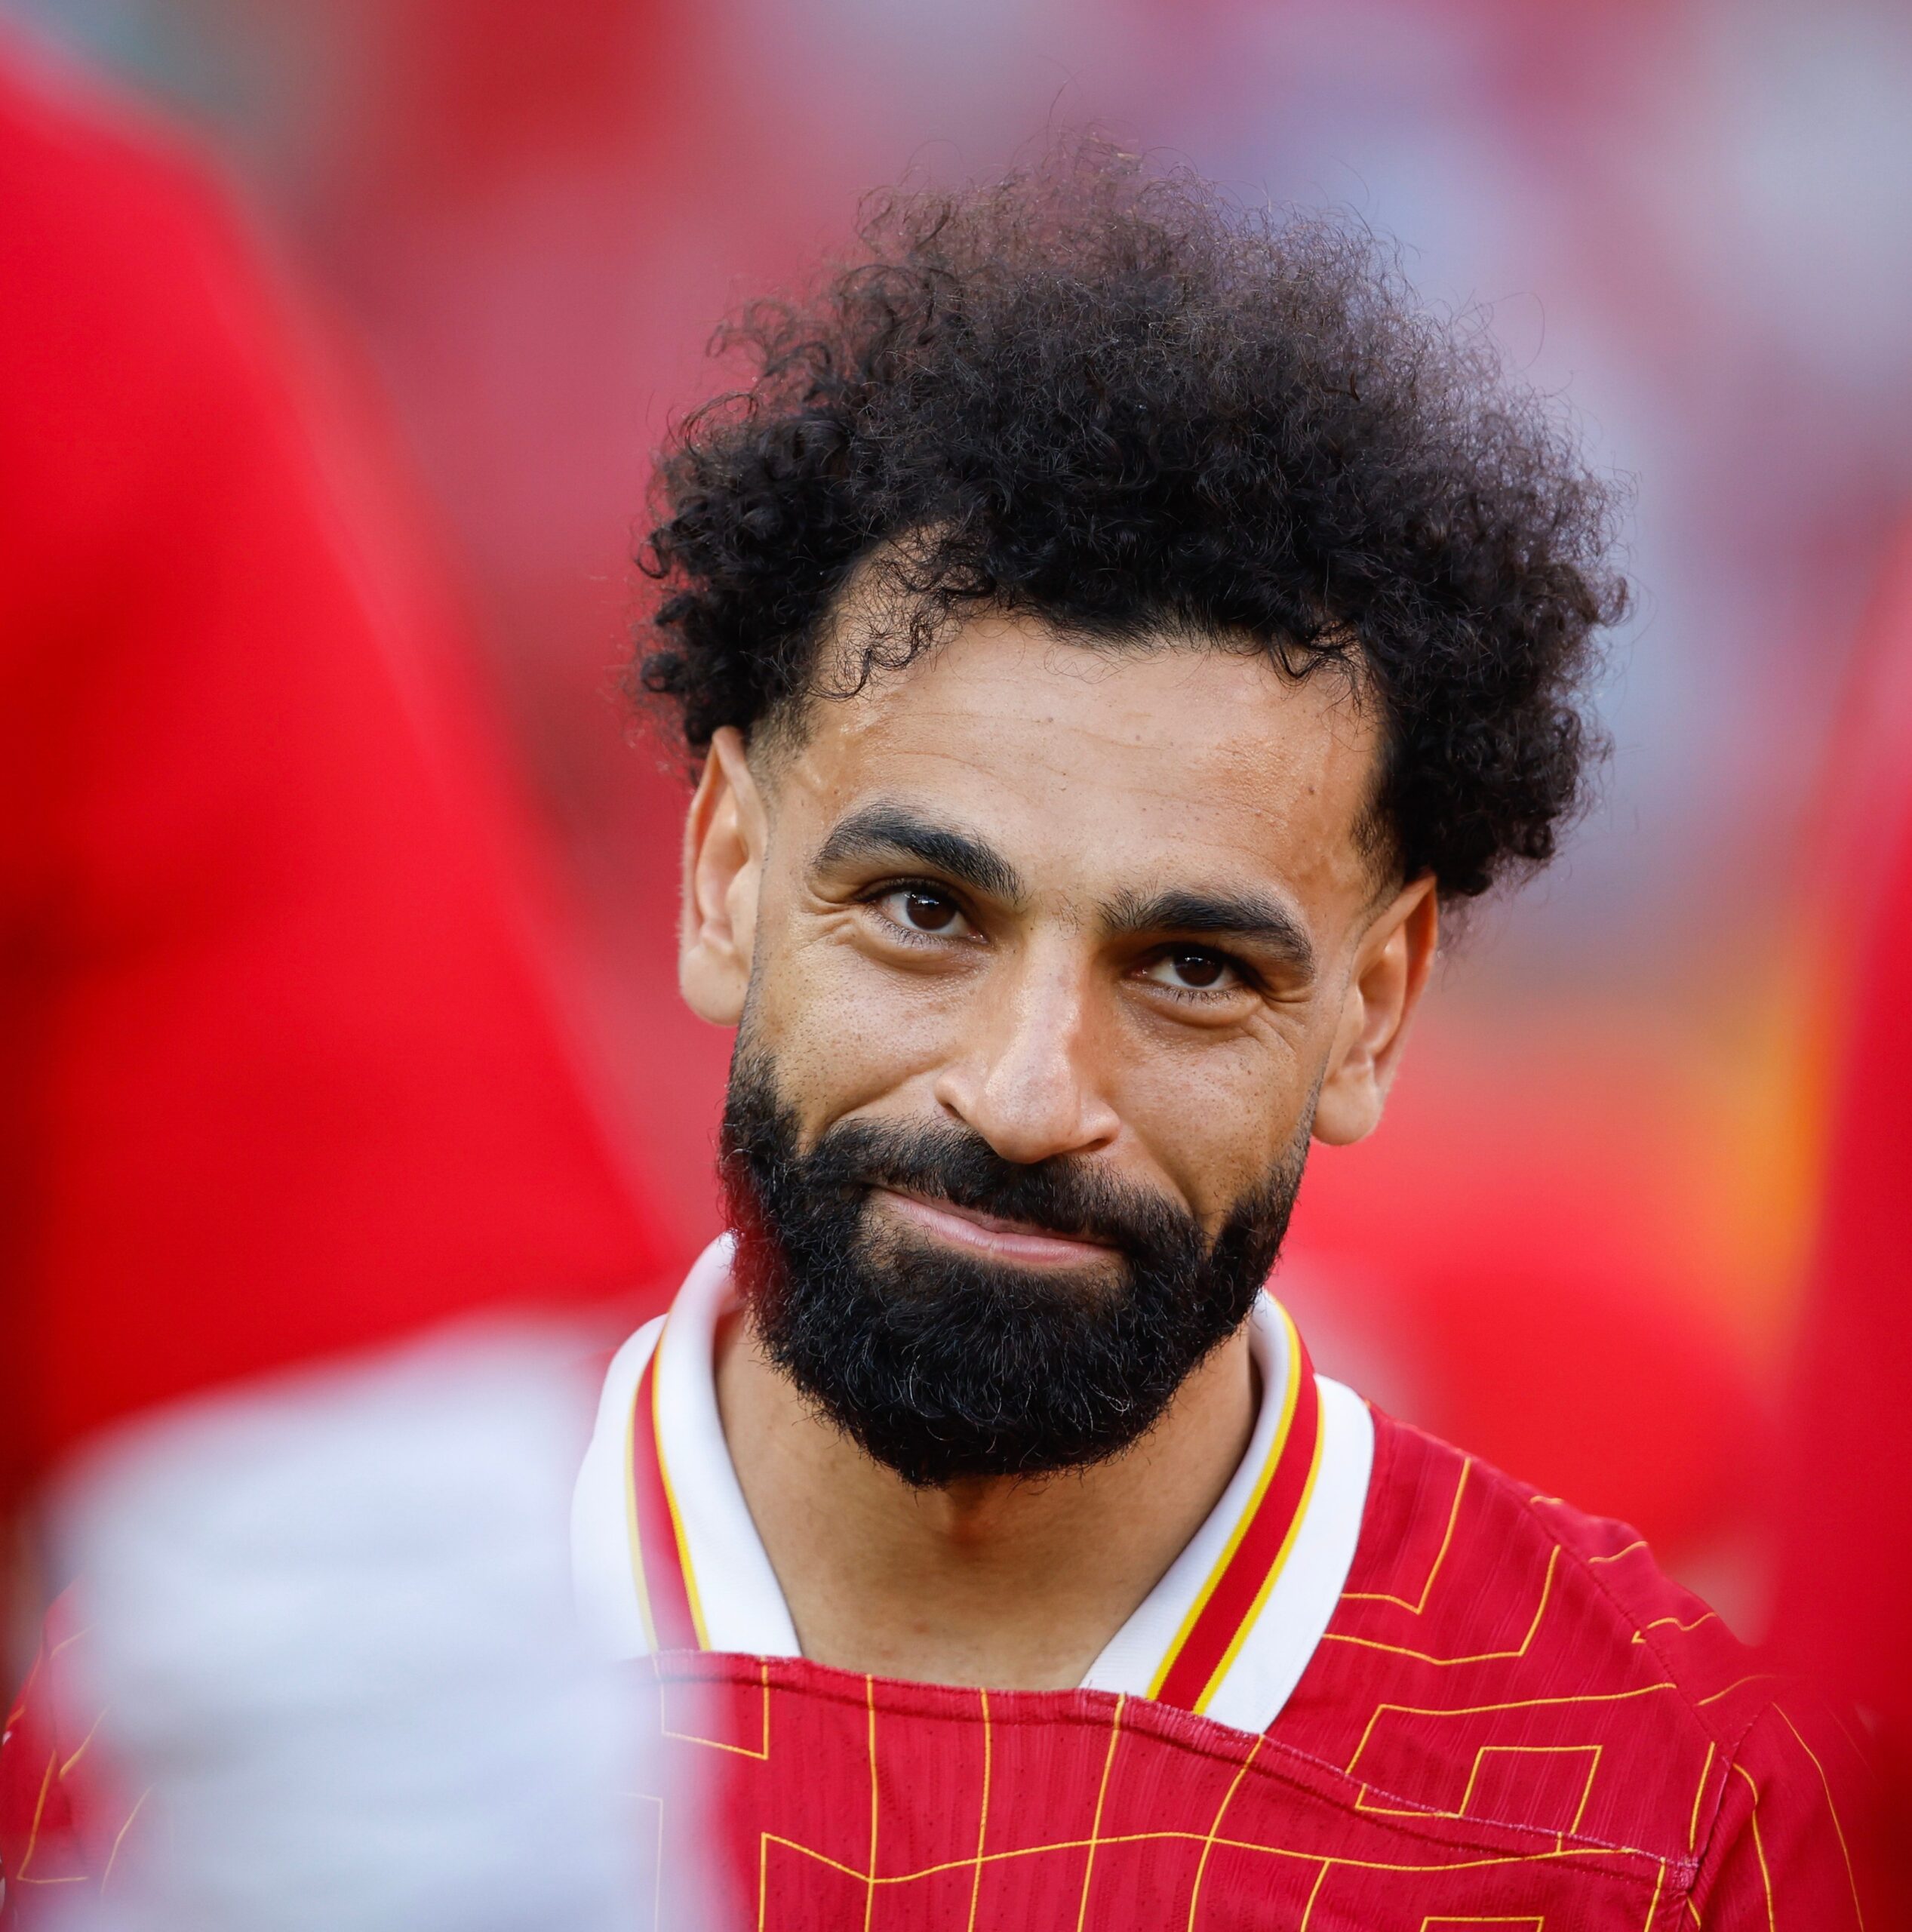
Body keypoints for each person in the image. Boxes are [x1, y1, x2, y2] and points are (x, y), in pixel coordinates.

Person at [565, 146, 1880, 1925]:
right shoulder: (281, 1678)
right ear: (725, 871)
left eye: (1188, 967)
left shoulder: (1678, 1817)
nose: (1027, 1095)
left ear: (1374, 1006)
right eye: (924, 910)